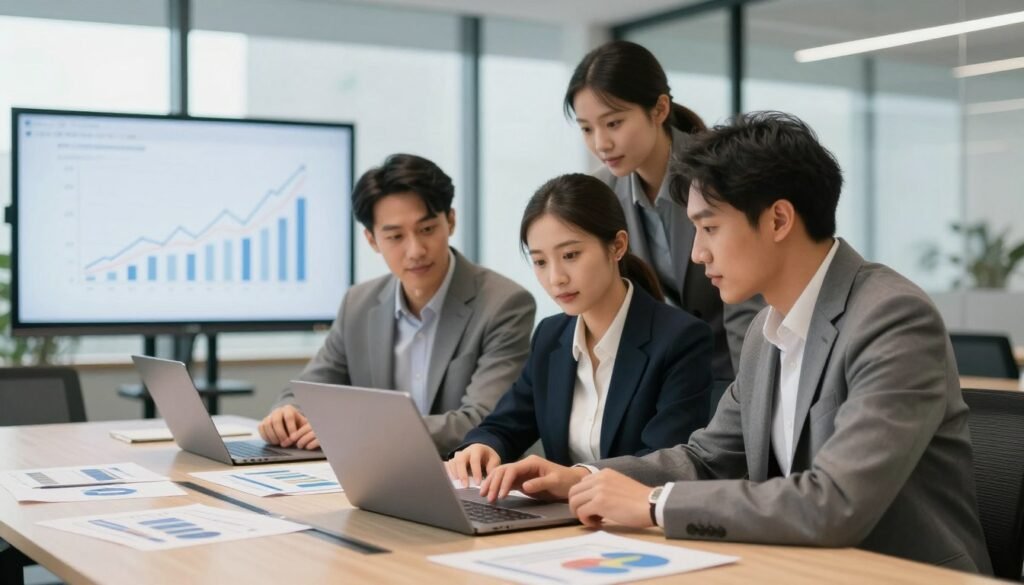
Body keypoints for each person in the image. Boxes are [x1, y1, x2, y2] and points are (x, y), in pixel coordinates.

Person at [476, 112, 992, 574]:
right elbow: (706, 458)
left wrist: (654, 505)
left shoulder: (891, 318)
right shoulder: (767, 333)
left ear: (779, 220)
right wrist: (581, 478)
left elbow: (836, 503)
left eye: (710, 228)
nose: (697, 254)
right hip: (794, 565)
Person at [446, 174, 713, 487]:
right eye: (540, 262)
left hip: (636, 522)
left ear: (617, 246)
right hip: (563, 523)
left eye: (570, 255)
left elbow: (665, 462)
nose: (556, 277)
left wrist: (577, 479)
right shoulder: (550, 336)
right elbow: (506, 423)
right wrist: (483, 446)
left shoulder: (681, 339)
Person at [258, 154, 536, 454]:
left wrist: (364, 432)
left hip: (465, 479)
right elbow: (308, 388)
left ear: (451, 221)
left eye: (427, 229)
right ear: (372, 240)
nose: (415, 250)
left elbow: (484, 421)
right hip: (376, 476)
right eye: (395, 236)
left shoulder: (504, 304)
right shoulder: (359, 304)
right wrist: (288, 411)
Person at [565, 39, 763, 380]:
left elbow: (749, 307)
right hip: (668, 379)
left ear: (659, 110)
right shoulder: (603, 193)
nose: (601, 143)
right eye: (587, 128)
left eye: (613, 123)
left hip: (741, 372)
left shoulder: (723, 175)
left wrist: (749, 402)